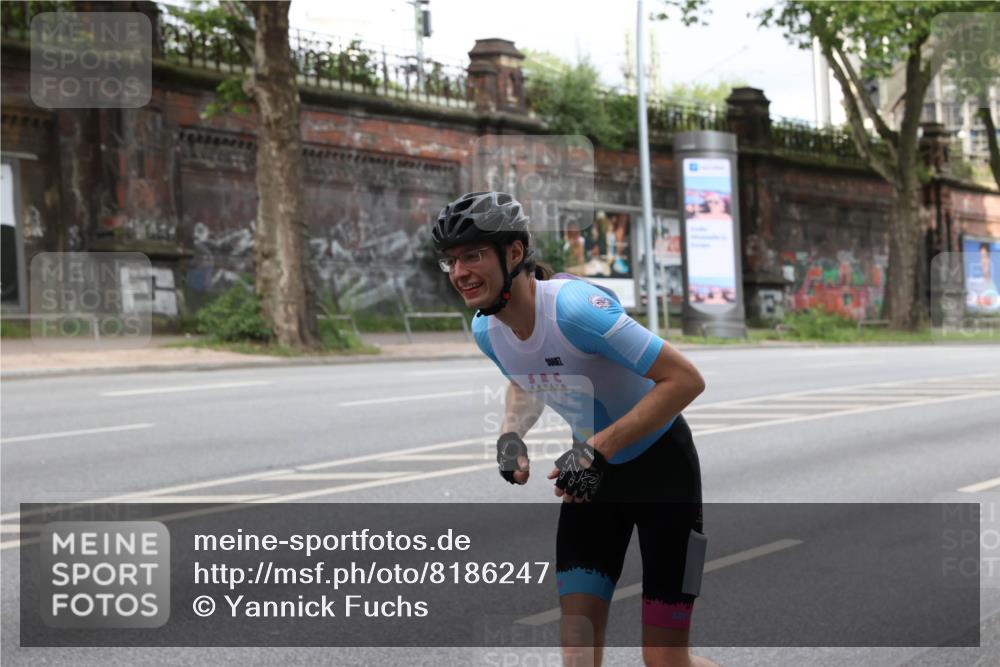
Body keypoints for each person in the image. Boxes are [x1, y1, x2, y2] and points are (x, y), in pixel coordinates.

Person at [431, 191, 717, 667]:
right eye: (452, 261)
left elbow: (685, 379)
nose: (460, 272)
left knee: (666, 661)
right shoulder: (487, 329)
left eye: (473, 255)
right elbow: (526, 380)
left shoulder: (576, 309)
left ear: (515, 253)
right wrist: (511, 435)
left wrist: (596, 448)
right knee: (577, 655)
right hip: (594, 483)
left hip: (664, 475)